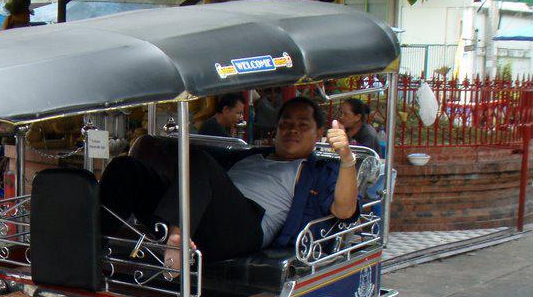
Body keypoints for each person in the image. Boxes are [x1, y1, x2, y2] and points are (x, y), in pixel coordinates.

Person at [100, 96, 359, 268]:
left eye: (303, 125)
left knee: (200, 161)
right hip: (206, 213)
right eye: (286, 124)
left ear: (319, 132)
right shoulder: (250, 155)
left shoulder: (319, 170)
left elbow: (344, 210)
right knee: (125, 167)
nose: (292, 130)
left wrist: (347, 158)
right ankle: (95, 243)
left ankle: (176, 239)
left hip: (247, 228)